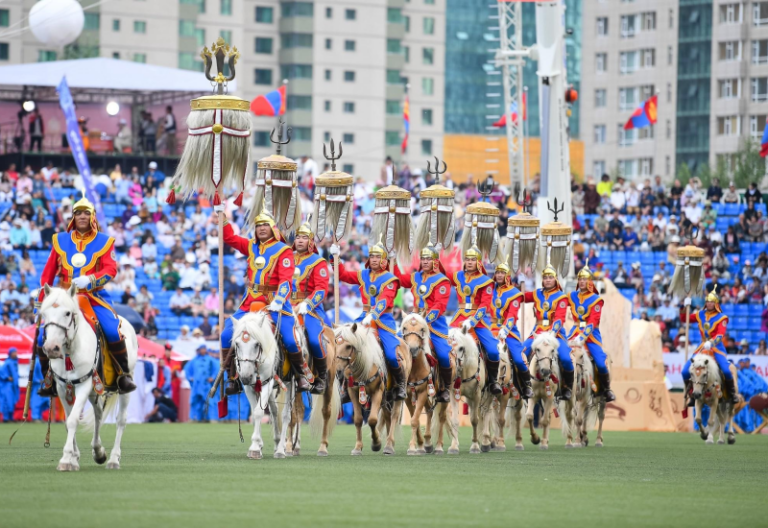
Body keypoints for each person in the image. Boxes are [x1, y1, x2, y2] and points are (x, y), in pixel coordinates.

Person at [35, 194, 136, 396]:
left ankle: (122, 375)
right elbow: (47, 274)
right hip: (63, 297)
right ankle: (48, 379)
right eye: (78, 213)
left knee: (112, 330)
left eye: (86, 213)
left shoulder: (105, 241)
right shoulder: (59, 240)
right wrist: (41, 304)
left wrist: (90, 280)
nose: (82, 216)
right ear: (73, 216)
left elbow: (110, 270)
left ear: (92, 216)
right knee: (40, 338)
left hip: (93, 295)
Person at [219, 208, 308, 392]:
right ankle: (232, 377)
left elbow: (286, 280)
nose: (261, 228)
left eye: (265, 225)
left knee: (291, 340)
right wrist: (223, 217)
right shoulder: (250, 245)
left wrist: (279, 299)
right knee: (226, 335)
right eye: (258, 225)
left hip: (274, 303)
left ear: (273, 228)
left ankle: (300, 375)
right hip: (249, 302)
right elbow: (229, 238)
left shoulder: (283, 250)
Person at [331, 236, 407, 400]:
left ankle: (400, 384)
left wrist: (374, 314)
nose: (373, 259)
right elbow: (343, 275)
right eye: (371, 256)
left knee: (391, 354)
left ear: (384, 260)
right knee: (345, 343)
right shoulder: (363, 274)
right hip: (363, 316)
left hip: (383, 320)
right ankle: (345, 385)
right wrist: (335, 258)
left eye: (377, 257)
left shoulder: (391, 279)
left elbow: (385, 299)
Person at [393, 243, 454, 402]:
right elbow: (399, 279)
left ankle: (445, 388)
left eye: (428, 259)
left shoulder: (442, 281)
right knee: (395, 346)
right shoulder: (416, 277)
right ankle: (396, 384)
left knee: (443, 355)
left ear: (435, 261)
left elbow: (439, 306)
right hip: (413, 321)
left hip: (434, 323)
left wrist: (424, 321)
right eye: (423, 259)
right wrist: (393, 259)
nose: (425, 261)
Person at [446, 245, 502, 395]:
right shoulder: (457, 276)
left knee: (493, 351)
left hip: (478, 322)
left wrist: (471, 321)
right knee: (443, 347)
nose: (469, 262)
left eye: (472, 259)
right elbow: (441, 274)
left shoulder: (486, 281)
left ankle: (493, 381)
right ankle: (442, 381)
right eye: (467, 259)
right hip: (458, 318)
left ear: (478, 262)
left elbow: (484, 306)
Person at [520, 264, 575, 399]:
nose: (548, 280)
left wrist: (552, 333)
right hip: (538, 331)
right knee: (521, 354)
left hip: (555, 334)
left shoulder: (561, 297)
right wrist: (516, 285)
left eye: (550, 277)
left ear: (555, 279)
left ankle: (567, 387)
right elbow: (521, 297)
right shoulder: (537, 293)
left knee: (566, 359)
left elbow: (559, 319)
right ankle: (523, 385)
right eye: (545, 278)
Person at [289, 220, 330, 395]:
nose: (299, 240)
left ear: (311, 241)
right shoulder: (287, 258)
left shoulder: (318, 262)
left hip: (309, 308)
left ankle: (322, 376)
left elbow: (321, 290)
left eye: (304, 237)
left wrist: (307, 303)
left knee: (313, 339)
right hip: (286, 305)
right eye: (298, 237)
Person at [680, 287, 738, 405]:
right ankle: (691, 394)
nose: (709, 303)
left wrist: (711, 342)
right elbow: (684, 319)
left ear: (716, 303)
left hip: (716, 347)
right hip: (702, 346)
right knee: (685, 371)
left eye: (712, 302)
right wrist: (684, 306)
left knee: (726, 371)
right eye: (707, 301)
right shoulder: (700, 314)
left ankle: (732, 395)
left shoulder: (722, 317)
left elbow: (720, 334)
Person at [567, 262, 616, 402]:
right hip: (574, 331)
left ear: (590, 281)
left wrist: (582, 337)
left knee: (600, 363)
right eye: (580, 279)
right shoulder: (571, 296)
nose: (582, 281)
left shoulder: (596, 300)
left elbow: (593, 321)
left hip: (591, 335)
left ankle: (606, 390)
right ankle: (563, 386)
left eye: (585, 279)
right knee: (560, 354)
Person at [489, 263, 533, 398]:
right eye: (497, 272)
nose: (499, 275)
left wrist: (505, 329)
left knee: (518, 360)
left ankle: (526, 385)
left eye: (502, 273)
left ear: (507, 275)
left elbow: (512, 315)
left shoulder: (514, 293)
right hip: (490, 328)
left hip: (509, 331)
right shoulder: (489, 289)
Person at [184, 345, 216, 422]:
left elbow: (216, 368)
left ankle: (210, 418)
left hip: (206, 384)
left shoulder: (210, 359)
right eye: (201, 349)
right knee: (194, 402)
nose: (202, 350)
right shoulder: (194, 360)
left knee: (209, 402)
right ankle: (193, 418)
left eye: (203, 349)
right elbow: (187, 369)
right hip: (196, 385)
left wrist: (213, 377)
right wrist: (190, 377)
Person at [0, 348, 19, 422]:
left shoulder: (15, 362)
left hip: (13, 386)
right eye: (14, 352)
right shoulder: (8, 362)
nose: (16, 354)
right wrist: (7, 377)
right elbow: (1, 371)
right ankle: (6, 418)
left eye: (16, 352)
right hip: (7, 386)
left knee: (12, 401)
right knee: (7, 401)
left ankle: (11, 418)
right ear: (10, 353)